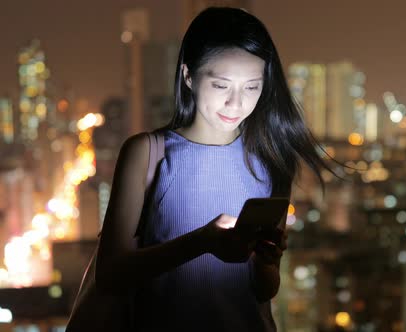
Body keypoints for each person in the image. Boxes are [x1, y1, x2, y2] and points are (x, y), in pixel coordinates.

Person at [95, 6, 334, 331]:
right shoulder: (148, 153)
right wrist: (202, 242)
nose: (236, 104)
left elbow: (264, 290)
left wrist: (267, 260)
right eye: (221, 86)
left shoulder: (271, 161)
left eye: (251, 87)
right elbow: (110, 274)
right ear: (188, 76)